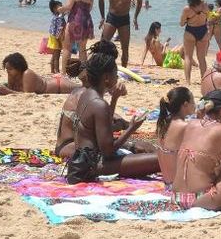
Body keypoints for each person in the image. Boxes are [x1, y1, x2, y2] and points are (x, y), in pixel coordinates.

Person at [66, 50, 159, 183]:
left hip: (80, 163)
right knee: (159, 160)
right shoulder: (99, 104)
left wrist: (114, 99)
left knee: (145, 148)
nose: (117, 78)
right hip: (91, 167)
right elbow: (108, 151)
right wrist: (131, 129)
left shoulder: (87, 95)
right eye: (115, 74)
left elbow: (103, 129)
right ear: (106, 78)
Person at [98, 0, 142, 67]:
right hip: (111, 18)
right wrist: (102, 17)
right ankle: (101, 66)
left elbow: (140, 1)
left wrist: (135, 17)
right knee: (103, 44)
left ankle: (124, 69)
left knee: (125, 48)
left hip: (124, 19)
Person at [156, 86, 196, 185]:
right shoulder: (184, 126)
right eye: (193, 101)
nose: (195, 105)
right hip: (182, 188)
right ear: (185, 104)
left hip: (168, 184)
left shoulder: (163, 123)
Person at [0, 52, 80, 94]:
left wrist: (7, 91)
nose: (7, 71)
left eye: (10, 69)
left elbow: (28, 95)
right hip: (53, 82)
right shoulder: (11, 74)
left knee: (83, 89)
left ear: (18, 68)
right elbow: (11, 88)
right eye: (6, 69)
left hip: (59, 85)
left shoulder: (27, 74)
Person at [59, 0, 94, 74]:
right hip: (87, 21)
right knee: (82, 49)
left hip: (75, 21)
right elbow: (89, 9)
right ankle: (84, 73)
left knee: (66, 47)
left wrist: (60, 9)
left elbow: (68, 6)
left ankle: (63, 73)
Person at [179, 0, 209, 84]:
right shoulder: (205, 6)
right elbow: (207, 18)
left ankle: (188, 81)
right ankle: (204, 80)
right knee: (202, 58)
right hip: (203, 31)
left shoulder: (186, 9)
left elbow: (181, 24)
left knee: (188, 57)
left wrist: (188, 19)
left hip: (190, 31)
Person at [48, 0, 66, 75]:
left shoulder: (55, 16)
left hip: (52, 36)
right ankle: (57, 71)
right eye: (60, 7)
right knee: (57, 55)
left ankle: (52, 70)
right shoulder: (59, 17)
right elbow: (60, 28)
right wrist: (59, 39)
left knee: (54, 54)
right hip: (56, 37)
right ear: (55, 9)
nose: (62, 8)